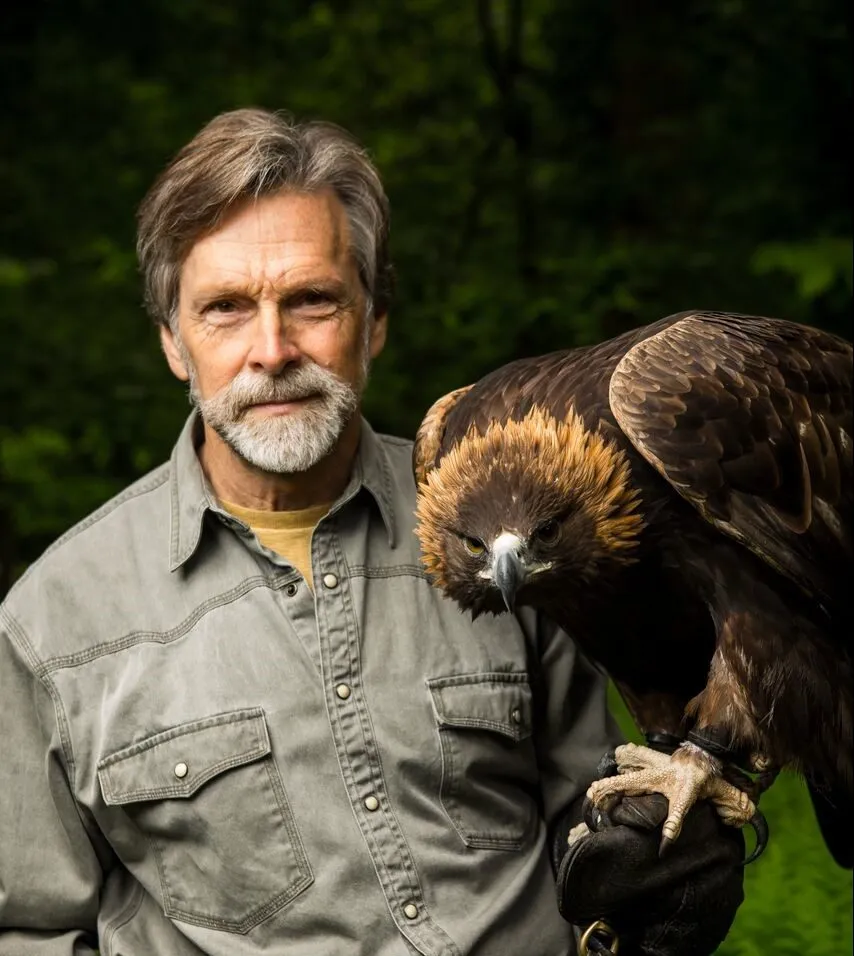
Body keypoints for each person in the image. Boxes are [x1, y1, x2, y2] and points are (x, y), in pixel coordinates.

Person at [0, 108, 744, 956]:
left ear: (375, 319)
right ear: (173, 342)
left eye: (312, 300)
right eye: (226, 310)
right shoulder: (54, 625)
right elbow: (31, 929)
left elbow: (592, 835)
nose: (272, 349)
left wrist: (647, 886)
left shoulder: (514, 540)